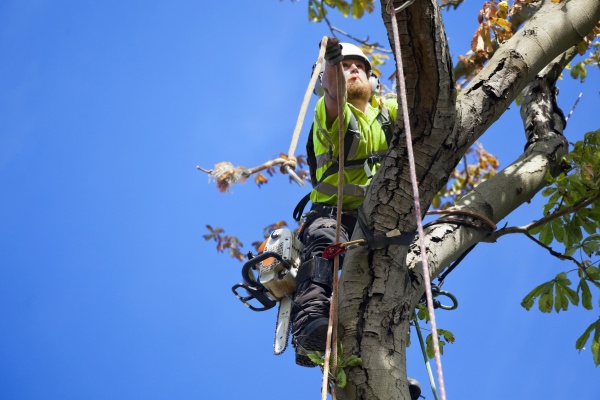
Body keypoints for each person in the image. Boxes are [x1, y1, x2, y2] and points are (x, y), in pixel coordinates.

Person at [292, 38, 398, 366]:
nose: (353, 70)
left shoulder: (388, 112)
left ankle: (385, 357)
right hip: (331, 213)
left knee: (392, 275)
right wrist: (333, 61)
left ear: (374, 82)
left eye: (360, 68)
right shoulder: (328, 111)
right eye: (346, 66)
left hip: (377, 218)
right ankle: (310, 325)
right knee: (325, 244)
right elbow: (335, 91)